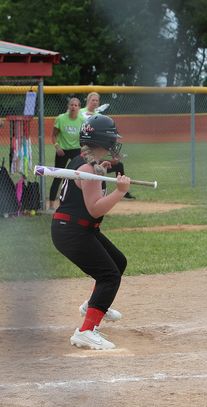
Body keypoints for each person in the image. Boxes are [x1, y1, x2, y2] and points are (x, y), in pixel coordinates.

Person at [51, 114, 131, 350]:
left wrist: (102, 172)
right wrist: (119, 192)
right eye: (112, 138)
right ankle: (85, 331)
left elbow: (89, 193)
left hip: (77, 229)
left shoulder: (83, 162)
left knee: (118, 262)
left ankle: (93, 305)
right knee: (110, 276)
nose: (115, 143)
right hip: (73, 232)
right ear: (103, 141)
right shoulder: (89, 169)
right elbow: (95, 209)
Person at [81, 91, 135, 199]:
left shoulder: (99, 115)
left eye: (97, 100)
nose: (95, 102)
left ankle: (124, 192)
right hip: (85, 148)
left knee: (118, 165)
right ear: (88, 101)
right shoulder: (80, 113)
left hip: (91, 150)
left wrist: (114, 153)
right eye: (93, 100)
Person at [48, 98, 85, 211]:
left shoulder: (82, 120)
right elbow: (53, 136)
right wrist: (57, 147)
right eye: (71, 105)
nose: (73, 107)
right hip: (62, 150)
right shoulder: (61, 118)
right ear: (68, 106)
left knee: (78, 176)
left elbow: (84, 137)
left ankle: (77, 203)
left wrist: (83, 149)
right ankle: (51, 205)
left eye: (76, 105)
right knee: (58, 176)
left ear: (79, 107)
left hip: (76, 150)